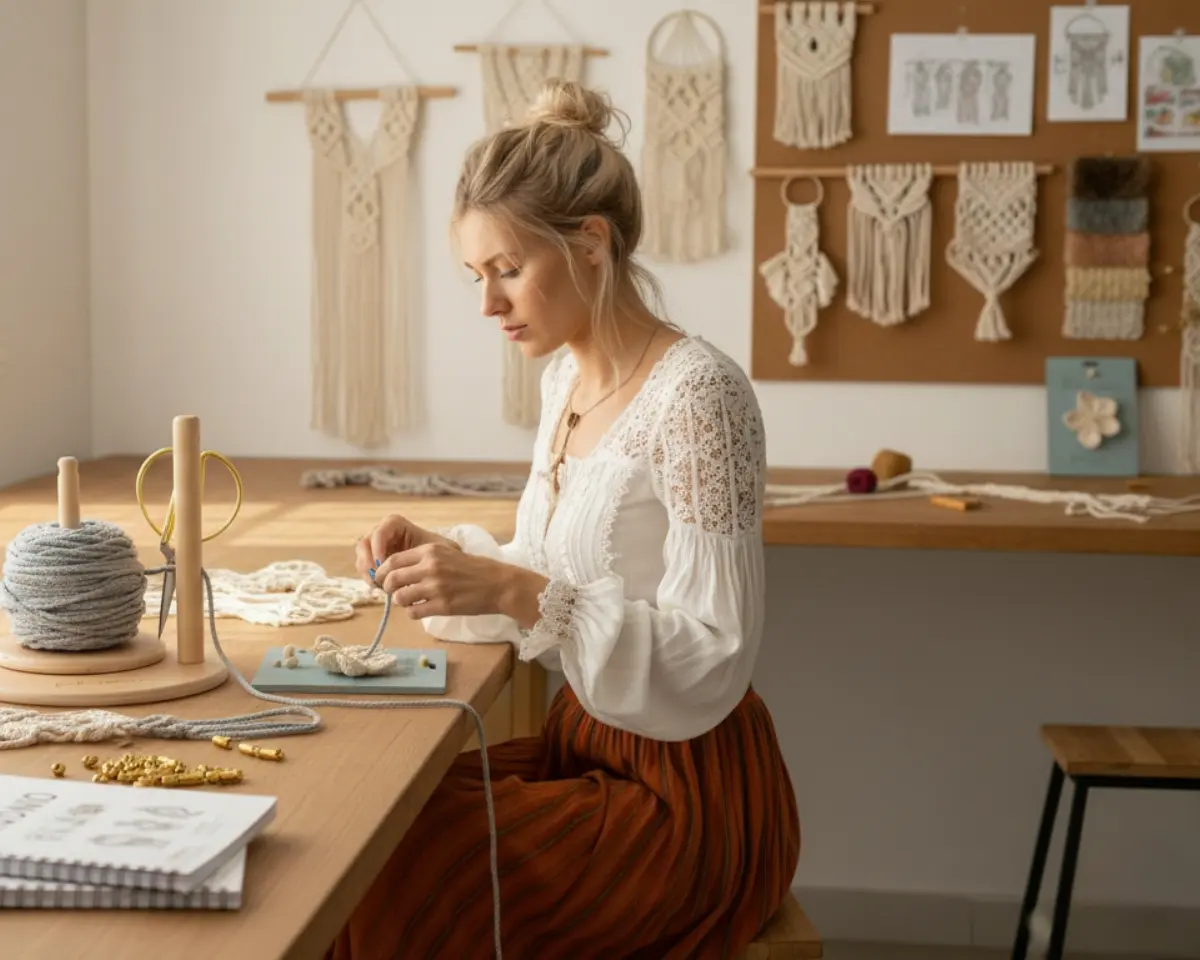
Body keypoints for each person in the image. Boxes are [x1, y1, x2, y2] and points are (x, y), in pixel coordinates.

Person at [328, 79, 800, 960]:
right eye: (476, 275)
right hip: (583, 748)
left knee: (412, 870)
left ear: (591, 243)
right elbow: (552, 571)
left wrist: (515, 588)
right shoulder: (564, 383)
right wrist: (452, 561)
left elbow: (717, 655)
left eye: (508, 269)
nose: (488, 305)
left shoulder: (700, 395)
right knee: (363, 825)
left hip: (685, 795)